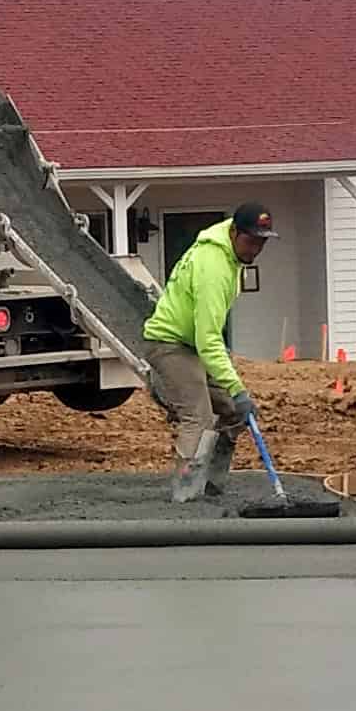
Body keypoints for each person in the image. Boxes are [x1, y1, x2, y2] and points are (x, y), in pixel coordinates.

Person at [139, 204, 271, 504]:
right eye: (251, 240)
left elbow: (208, 335)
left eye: (262, 242)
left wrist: (234, 397)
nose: (256, 248)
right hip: (169, 344)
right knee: (198, 416)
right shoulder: (215, 267)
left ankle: (212, 485)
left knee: (233, 412)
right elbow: (208, 338)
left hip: (193, 344)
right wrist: (238, 389)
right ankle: (186, 495)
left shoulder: (229, 255)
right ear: (234, 232)